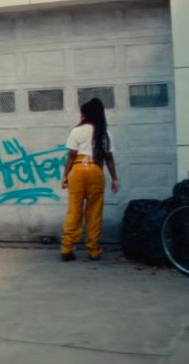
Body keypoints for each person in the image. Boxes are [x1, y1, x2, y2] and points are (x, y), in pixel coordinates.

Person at [60, 98, 119, 261]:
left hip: (78, 171)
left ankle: (67, 248)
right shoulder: (105, 134)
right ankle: (93, 250)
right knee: (94, 212)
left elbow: (71, 156)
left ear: (85, 114)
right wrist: (114, 178)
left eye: (82, 113)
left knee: (74, 211)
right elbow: (109, 158)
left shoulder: (76, 131)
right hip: (95, 171)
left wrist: (65, 175)